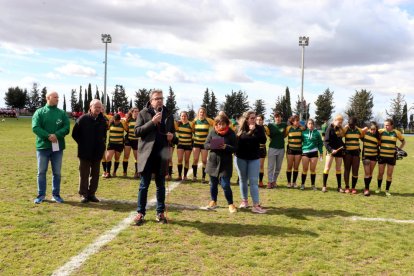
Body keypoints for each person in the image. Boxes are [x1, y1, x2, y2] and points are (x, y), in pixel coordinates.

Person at [133, 89, 175, 225]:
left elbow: (173, 135)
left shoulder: (168, 114)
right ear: (151, 101)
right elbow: (137, 132)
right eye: (157, 98)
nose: (160, 100)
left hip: (162, 154)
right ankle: (140, 213)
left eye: (161, 98)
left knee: (160, 185)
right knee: (144, 185)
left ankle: (160, 213)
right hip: (147, 154)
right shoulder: (143, 113)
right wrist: (152, 122)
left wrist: (172, 137)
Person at [32, 91, 70, 204]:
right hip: (43, 147)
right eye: (55, 97)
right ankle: (41, 195)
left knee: (57, 172)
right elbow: (35, 127)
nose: (58, 98)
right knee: (41, 172)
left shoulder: (62, 113)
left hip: (57, 148)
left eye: (58, 97)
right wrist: (48, 136)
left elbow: (67, 127)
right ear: (48, 98)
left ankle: (56, 195)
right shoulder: (39, 112)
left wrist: (56, 135)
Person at [72, 99, 108, 203]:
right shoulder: (83, 119)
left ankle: (92, 194)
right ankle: (83, 194)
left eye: (99, 107)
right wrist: (83, 144)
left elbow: (104, 135)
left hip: (97, 152)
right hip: (85, 152)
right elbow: (75, 134)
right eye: (96, 107)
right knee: (84, 174)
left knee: (95, 174)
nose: (98, 109)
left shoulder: (103, 120)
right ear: (90, 107)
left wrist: (102, 146)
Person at [235, 110, 267, 214]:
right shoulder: (239, 128)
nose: (254, 120)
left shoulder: (259, 128)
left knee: (253, 181)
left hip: (254, 158)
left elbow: (263, 140)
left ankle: (256, 205)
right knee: (243, 180)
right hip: (240, 158)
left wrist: (254, 131)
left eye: (255, 117)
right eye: (252, 118)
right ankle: (244, 201)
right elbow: (238, 141)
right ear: (247, 119)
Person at [204, 114, 237, 213]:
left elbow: (236, 148)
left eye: (222, 124)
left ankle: (230, 204)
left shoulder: (231, 133)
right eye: (218, 124)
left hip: (225, 163)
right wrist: (213, 145)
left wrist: (226, 147)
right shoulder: (212, 131)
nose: (220, 126)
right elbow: (206, 145)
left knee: (225, 184)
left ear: (227, 124)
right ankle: (213, 201)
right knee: (213, 184)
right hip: (213, 162)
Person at [376, 119, 406, 196]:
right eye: (385, 125)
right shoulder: (380, 131)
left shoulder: (396, 132)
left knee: (389, 174)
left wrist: (398, 149)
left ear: (392, 125)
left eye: (387, 125)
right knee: (380, 173)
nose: (386, 126)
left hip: (391, 157)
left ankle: (387, 190)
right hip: (382, 156)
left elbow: (403, 141)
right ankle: (379, 188)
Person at [322, 114, 345, 193]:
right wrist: (331, 150)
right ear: (335, 120)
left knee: (338, 169)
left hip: (339, 152)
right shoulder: (329, 128)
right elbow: (325, 142)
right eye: (339, 121)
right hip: (330, 151)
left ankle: (339, 187)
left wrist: (343, 145)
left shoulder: (339, 129)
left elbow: (339, 140)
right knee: (327, 168)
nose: (340, 123)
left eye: (341, 122)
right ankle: (324, 186)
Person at [191, 107, 215, 183]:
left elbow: (216, 125)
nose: (202, 113)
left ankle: (203, 178)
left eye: (203, 112)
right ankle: (194, 176)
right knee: (195, 160)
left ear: (205, 113)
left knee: (204, 161)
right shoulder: (195, 121)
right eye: (200, 112)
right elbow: (191, 129)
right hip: (196, 143)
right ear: (198, 113)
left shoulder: (208, 120)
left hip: (204, 144)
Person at [342, 117, 364, 194]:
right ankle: (347, 187)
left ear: (355, 124)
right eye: (349, 124)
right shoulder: (346, 129)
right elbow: (340, 136)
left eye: (352, 124)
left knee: (355, 170)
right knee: (347, 169)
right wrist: (344, 128)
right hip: (347, 152)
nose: (350, 126)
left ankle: (353, 187)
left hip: (356, 153)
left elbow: (364, 139)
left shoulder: (359, 130)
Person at [301, 119, 323, 190]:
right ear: (307, 125)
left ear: (313, 125)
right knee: (305, 169)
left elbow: (320, 143)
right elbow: (299, 141)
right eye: (309, 124)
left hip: (314, 153)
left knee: (312, 169)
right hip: (305, 152)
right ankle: (303, 184)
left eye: (312, 124)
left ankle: (313, 185)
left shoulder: (317, 133)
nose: (310, 125)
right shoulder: (303, 132)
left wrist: (321, 152)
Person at [266, 112, 287, 189]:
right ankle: (269, 181)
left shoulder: (284, 125)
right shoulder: (270, 125)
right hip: (272, 148)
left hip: (281, 148)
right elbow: (268, 134)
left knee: (278, 167)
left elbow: (286, 133)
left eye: (279, 117)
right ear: (274, 118)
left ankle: (274, 181)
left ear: (281, 117)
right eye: (276, 117)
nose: (277, 118)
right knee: (271, 166)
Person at [104, 113, 127, 178]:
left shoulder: (122, 123)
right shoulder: (111, 123)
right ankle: (108, 172)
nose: (117, 122)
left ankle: (114, 172)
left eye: (118, 121)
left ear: (120, 120)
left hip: (119, 144)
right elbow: (106, 128)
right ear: (114, 120)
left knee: (117, 158)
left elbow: (127, 129)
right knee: (108, 157)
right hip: (111, 143)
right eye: (116, 120)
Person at [361, 121, 380, 196]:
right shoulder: (365, 134)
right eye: (371, 129)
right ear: (369, 129)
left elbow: (380, 144)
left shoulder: (378, 136)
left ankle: (366, 187)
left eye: (374, 129)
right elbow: (359, 133)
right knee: (367, 173)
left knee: (370, 173)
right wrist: (364, 129)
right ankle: (366, 189)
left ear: (376, 129)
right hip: (366, 156)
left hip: (374, 156)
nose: (373, 131)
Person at [285, 115, 304, 188]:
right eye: (296, 120)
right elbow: (283, 136)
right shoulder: (288, 128)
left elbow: (304, 136)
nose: (297, 122)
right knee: (289, 166)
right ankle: (289, 182)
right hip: (290, 150)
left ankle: (294, 182)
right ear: (292, 121)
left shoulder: (301, 128)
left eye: (298, 120)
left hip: (298, 150)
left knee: (296, 167)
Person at [175, 111, 193, 181]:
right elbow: (173, 125)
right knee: (179, 159)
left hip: (188, 145)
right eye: (182, 116)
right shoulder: (178, 124)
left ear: (187, 117)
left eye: (185, 116)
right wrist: (177, 121)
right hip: (180, 144)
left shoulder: (191, 124)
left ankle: (185, 176)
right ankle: (179, 175)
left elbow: (194, 132)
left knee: (186, 160)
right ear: (180, 117)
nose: (183, 117)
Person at [122, 108, 140, 178]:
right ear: (132, 112)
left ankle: (137, 172)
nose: (136, 113)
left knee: (137, 157)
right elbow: (126, 129)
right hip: (128, 140)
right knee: (126, 156)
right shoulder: (128, 120)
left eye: (137, 111)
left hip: (136, 140)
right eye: (135, 111)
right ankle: (124, 172)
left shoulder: (140, 120)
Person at [256, 114, 269, 188]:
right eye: (257, 119)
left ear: (263, 120)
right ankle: (253, 181)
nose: (258, 121)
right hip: (254, 149)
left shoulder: (265, 128)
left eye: (260, 120)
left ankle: (260, 181)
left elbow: (270, 135)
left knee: (261, 166)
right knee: (253, 166)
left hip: (262, 148)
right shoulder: (253, 127)